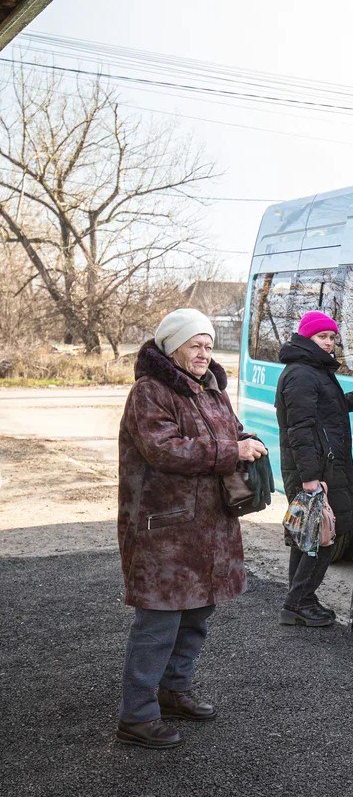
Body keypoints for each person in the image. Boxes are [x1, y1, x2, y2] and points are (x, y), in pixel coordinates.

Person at [116, 308, 267, 749]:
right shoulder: (151, 391)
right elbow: (165, 450)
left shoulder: (210, 389)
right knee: (158, 623)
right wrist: (231, 449)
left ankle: (173, 691)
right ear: (172, 347)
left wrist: (247, 442)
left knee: (198, 613)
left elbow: (231, 432)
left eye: (208, 345)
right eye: (195, 345)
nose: (204, 353)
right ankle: (136, 716)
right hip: (163, 529)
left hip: (209, 527)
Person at [274, 311, 353, 627]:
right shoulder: (301, 374)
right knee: (325, 537)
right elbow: (300, 429)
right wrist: (310, 479)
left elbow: (333, 407)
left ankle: (301, 597)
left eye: (333, 337)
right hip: (314, 471)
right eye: (323, 337)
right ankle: (298, 602)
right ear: (307, 338)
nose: (330, 343)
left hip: (320, 468)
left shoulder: (313, 371)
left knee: (307, 535)